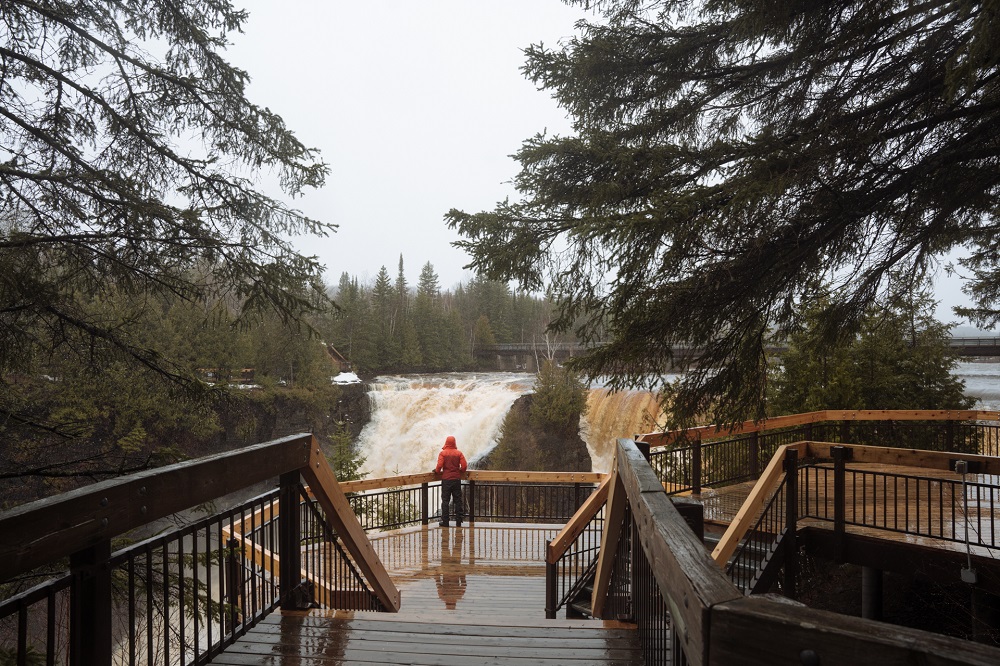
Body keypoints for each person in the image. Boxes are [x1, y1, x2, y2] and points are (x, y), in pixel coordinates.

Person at [434, 435, 467, 527]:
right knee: (457, 500)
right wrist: (459, 471)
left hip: (446, 480)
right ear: (454, 443)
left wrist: (436, 471)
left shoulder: (443, 453)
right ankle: (459, 521)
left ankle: (445, 521)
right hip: (456, 479)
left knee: (445, 501)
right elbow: (464, 466)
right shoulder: (459, 453)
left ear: (446, 442)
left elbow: (439, 466)